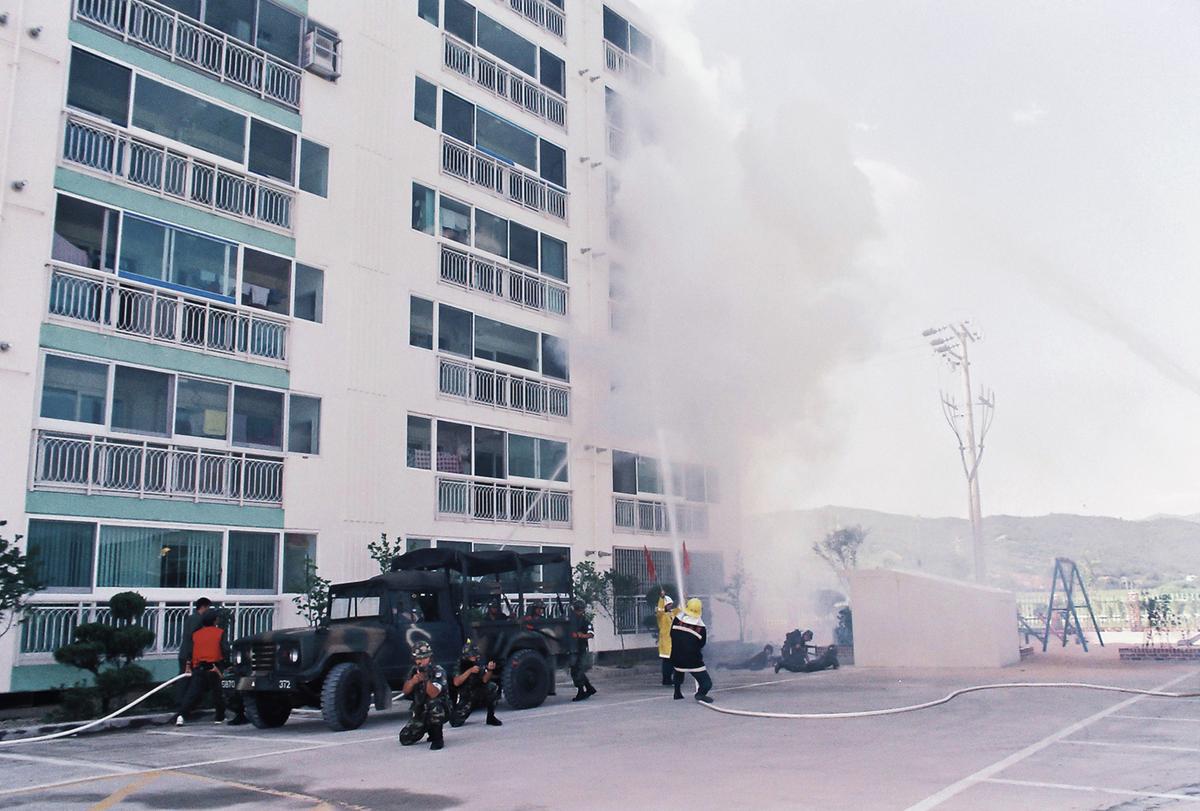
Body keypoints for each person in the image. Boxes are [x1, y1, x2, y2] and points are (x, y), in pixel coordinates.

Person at [175, 610, 229, 725]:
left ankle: (181, 715)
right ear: (214, 621)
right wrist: (226, 663)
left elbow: (190, 652)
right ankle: (219, 717)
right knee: (218, 693)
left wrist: (189, 666)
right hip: (214, 667)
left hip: (199, 667)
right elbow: (225, 649)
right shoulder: (220, 632)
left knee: (192, 694)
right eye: (217, 619)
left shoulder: (196, 634)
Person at [398, 640, 450, 750]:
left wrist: (425, 680)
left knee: (433, 703)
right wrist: (413, 681)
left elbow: (434, 693)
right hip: (421, 711)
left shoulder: (438, 671)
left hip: (440, 710)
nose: (421, 661)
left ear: (430, 657)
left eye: (424, 658)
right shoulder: (413, 671)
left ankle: (437, 738)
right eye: (418, 658)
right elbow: (405, 691)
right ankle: (428, 728)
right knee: (405, 738)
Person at [450, 641, 502, 728]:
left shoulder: (477, 663)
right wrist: (470, 671)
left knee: (493, 687)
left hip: (477, 692)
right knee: (455, 722)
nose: (475, 657)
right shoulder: (459, 665)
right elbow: (456, 682)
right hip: (466, 697)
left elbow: (485, 680)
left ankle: (491, 717)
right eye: (473, 656)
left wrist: (489, 670)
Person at [670, 598, 713, 703]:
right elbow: (702, 644)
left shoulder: (677, 620)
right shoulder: (701, 628)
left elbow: (671, 634)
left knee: (679, 670)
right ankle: (700, 694)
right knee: (707, 683)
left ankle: (677, 692)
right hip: (693, 661)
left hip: (675, 657)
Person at [214, 608, 247, 726]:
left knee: (222, 691)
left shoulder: (201, 633)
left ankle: (223, 715)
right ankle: (224, 715)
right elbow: (225, 649)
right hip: (217, 666)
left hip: (206, 666)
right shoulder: (219, 633)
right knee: (223, 691)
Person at [568, 601, 597, 701]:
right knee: (575, 670)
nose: (578, 612)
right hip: (572, 648)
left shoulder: (584, 621)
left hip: (580, 648)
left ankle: (582, 691)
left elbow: (591, 634)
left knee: (577, 670)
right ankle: (589, 688)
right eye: (577, 609)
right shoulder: (571, 619)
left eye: (579, 610)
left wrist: (581, 635)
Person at [775, 629, 840, 674]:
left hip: (793, 654)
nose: (808, 640)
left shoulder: (802, 641)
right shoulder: (798, 638)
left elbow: (804, 653)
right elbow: (798, 647)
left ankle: (782, 664)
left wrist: (808, 661)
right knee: (795, 668)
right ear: (806, 635)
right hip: (788, 653)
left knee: (799, 667)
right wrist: (801, 649)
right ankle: (781, 664)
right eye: (808, 638)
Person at [655, 593, 680, 686]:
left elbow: (681, 609)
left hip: (673, 643)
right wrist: (661, 598)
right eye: (668, 604)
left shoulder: (672, 613)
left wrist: (684, 597)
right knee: (667, 663)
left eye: (671, 604)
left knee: (674, 662)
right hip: (666, 643)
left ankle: (672, 679)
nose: (670, 606)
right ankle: (666, 680)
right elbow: (660, 610)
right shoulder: (661, 616)